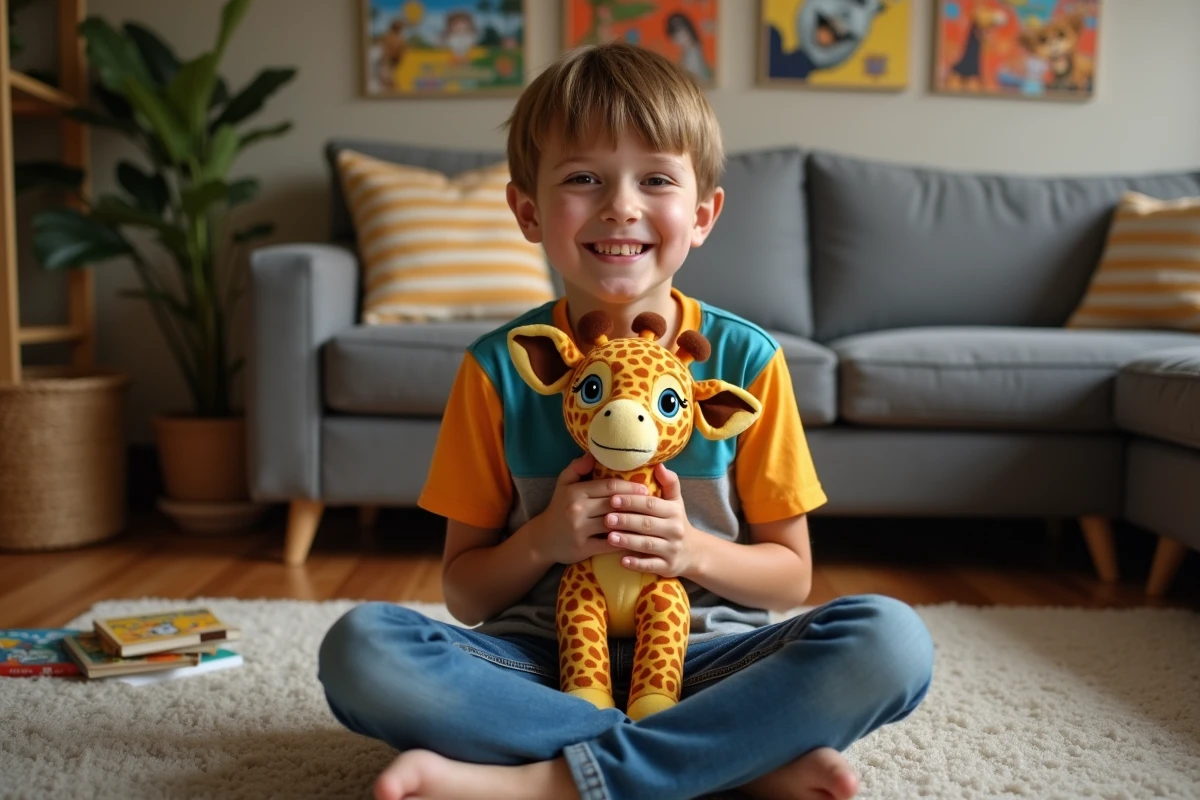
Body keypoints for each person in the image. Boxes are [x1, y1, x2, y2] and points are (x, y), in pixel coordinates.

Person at [318, 41, 934, 800]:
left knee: (890, 642)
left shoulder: (747, 362)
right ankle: (729, 762)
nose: (621, 205)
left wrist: (691, 552)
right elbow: (467, 594)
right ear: (528, 210)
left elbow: (788, 579)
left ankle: (544, 783)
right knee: (362, 650)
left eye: (655, 179)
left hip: (709, 664)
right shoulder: (498, 369)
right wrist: (543, 539)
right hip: (538, 667)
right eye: (583, 178)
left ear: (703, 213)